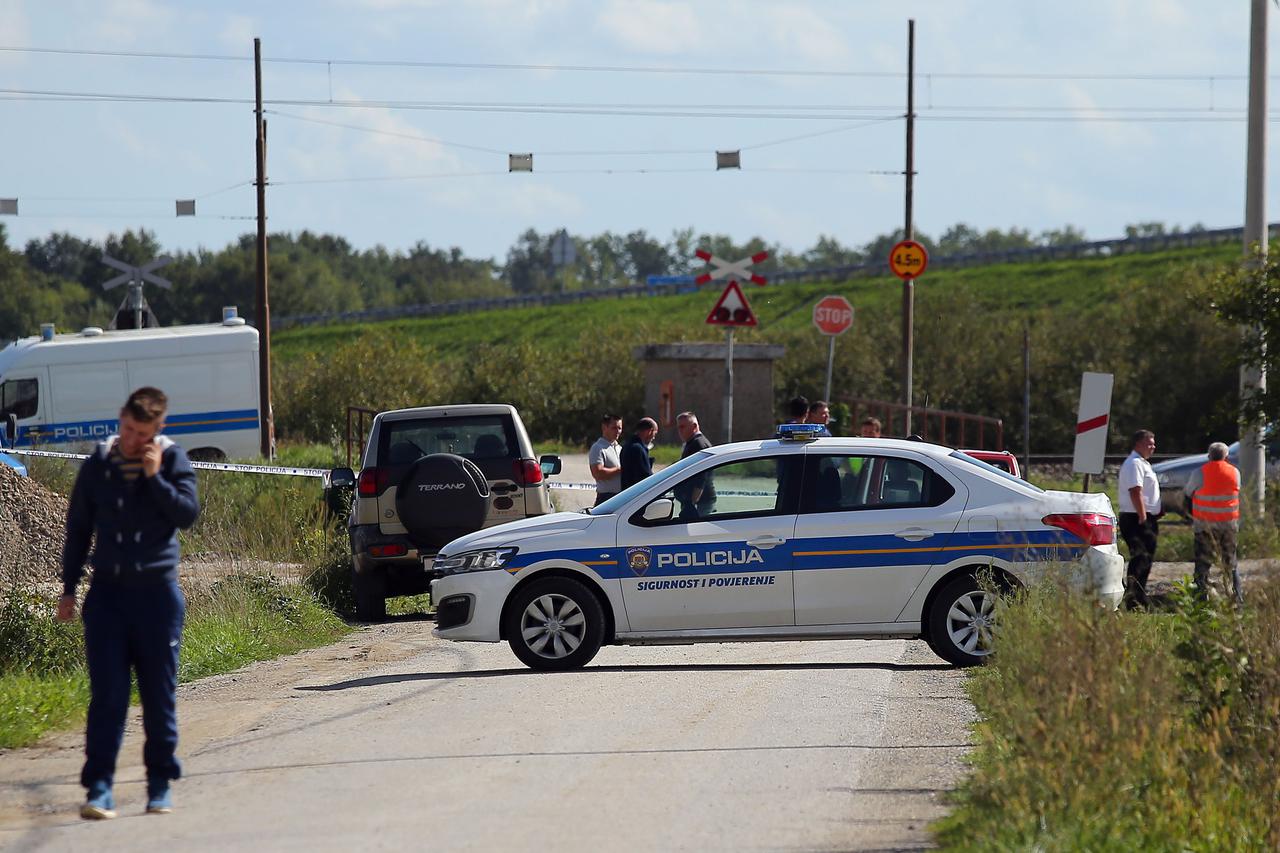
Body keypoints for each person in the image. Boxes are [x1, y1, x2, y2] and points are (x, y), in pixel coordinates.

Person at [57, 387, 200, 820]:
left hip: (157, 595)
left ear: (159, 429)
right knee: (109, 696)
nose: (133, 438)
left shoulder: (173, 461)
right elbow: (78, 529)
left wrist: (154, 479)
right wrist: (69, 587)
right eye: (128, 429)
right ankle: (99, 788)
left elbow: (188, 514)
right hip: (108, 598)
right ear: (120, 418)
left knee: (159, 697)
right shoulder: (99, 465)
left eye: (142, 432)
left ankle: (159, 785)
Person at [1184, 441, 1242, 605]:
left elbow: (1188, 493)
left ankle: (1200, 599)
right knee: (1231, 564)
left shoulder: (1199, 473)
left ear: (1209, 455)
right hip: (1228, 526)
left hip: (1205, 527)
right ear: (1226, 456)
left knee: (1202, 564)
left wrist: (1189, 516)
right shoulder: (1235, 473)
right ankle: (1237, 599)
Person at [1117, 429, 1161, 609]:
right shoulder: (1134, 463)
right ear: (1138, 444)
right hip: (1137, 517)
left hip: (1142, 516)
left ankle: (1138, 596)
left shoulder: (1142, 463)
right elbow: (1136, 490)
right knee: (1140, 558)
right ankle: (1134, 599)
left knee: (1145, 558)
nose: (1153, 447)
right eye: (1149, 443)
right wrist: (1143, 515)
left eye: (1153, 443)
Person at [675, 411, 715, 518]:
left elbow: (702, 476)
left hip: (700, 502)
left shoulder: (698, 444)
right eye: (678, 427)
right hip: (699, 501)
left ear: (694, 426)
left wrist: (692, 501)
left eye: (683, 427)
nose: (680, 431)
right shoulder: (693, 443)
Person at [588, 414, 624, 507]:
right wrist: (620, 470)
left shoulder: (620, 448)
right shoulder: (598, 448)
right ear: (604, 427)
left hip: (621, 496)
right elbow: (598, 473)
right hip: (606, 498)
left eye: (619, 428)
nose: (618, 431)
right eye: (614, 428)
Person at [620, 417, 658, 491]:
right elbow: (645, 477)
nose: (654, 437)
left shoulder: (626, 446)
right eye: (654, 433)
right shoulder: (638, 449)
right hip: (637, 495)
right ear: (650, 431)